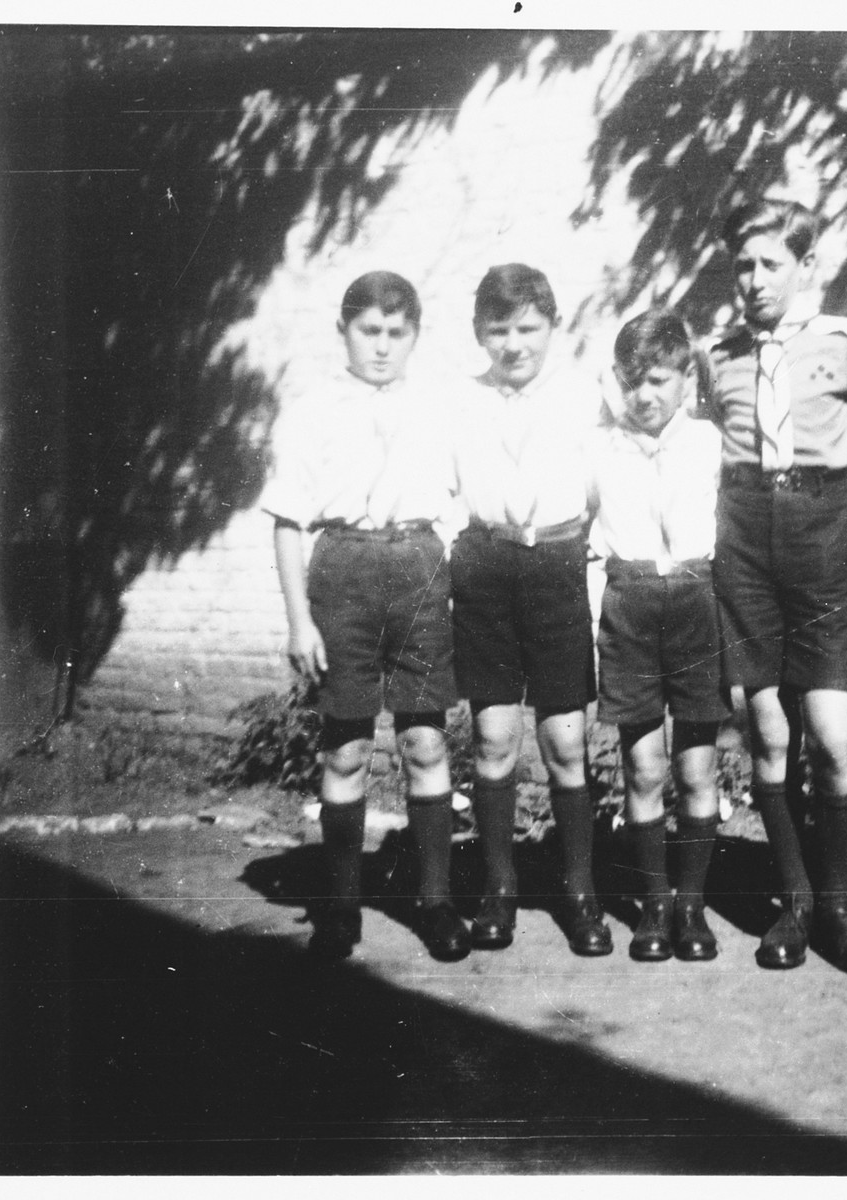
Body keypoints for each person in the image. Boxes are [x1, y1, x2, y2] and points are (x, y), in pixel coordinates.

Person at [704, 198, 847, 972]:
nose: (753, 280)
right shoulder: (716, 353)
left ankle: (842, 910)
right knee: (770, 734)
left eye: (769, 264)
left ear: (807, 267)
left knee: (835, 736)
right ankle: (796, 904)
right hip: (745, 533)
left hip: (823, 528)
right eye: (742, 266)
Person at [260, 270, 467, 962]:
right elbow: (288, 521)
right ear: (343, 331)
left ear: (414, 336)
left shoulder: (440, 406)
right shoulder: (312, 409)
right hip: (342, 570)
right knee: (345, 747)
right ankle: (340, 908)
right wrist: (299, 621)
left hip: (417, 565)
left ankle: (435, 904)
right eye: (368, 331)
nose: (381, 346)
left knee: (425, 744)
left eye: (395, 332)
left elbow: (472, 496)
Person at [450, 263, 610, 957]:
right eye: (498, 329)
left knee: (566, 740)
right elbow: (442, 486)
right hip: (485, 566)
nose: (513, 343)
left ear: (552, 326)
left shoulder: (584, 397)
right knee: (492, 739)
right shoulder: (460, 399)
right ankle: (499, 889)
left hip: (557, 564)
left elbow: (608, 490)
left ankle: (580, 890)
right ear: (479, 332)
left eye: (527, 327)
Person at [587, 310, 727, 963]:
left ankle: (693, 905)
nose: (646, 395)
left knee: (698, 765)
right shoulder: (600, 449)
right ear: (619, 381)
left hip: (697, 597)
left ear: (684, 379)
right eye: (634, 381)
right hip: (631, 601)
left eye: (660, 379)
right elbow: (580, 539)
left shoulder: (710, 443)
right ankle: (654, 903)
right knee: (643, 764)